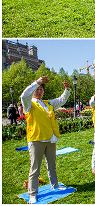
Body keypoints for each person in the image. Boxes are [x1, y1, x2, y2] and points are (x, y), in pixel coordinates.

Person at [21, 76, 71, 204]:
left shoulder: (48, 103)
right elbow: (24, 95)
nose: (39, 91)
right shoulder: (29, 103)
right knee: (35, 168)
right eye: (37, 89)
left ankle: (55, 185)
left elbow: (61, 100)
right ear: (33, 90)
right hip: (36, 140)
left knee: (52, 165)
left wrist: (67, 89)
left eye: (41, 89)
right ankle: (32, 193)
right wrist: (37, 82)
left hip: (50, 139)